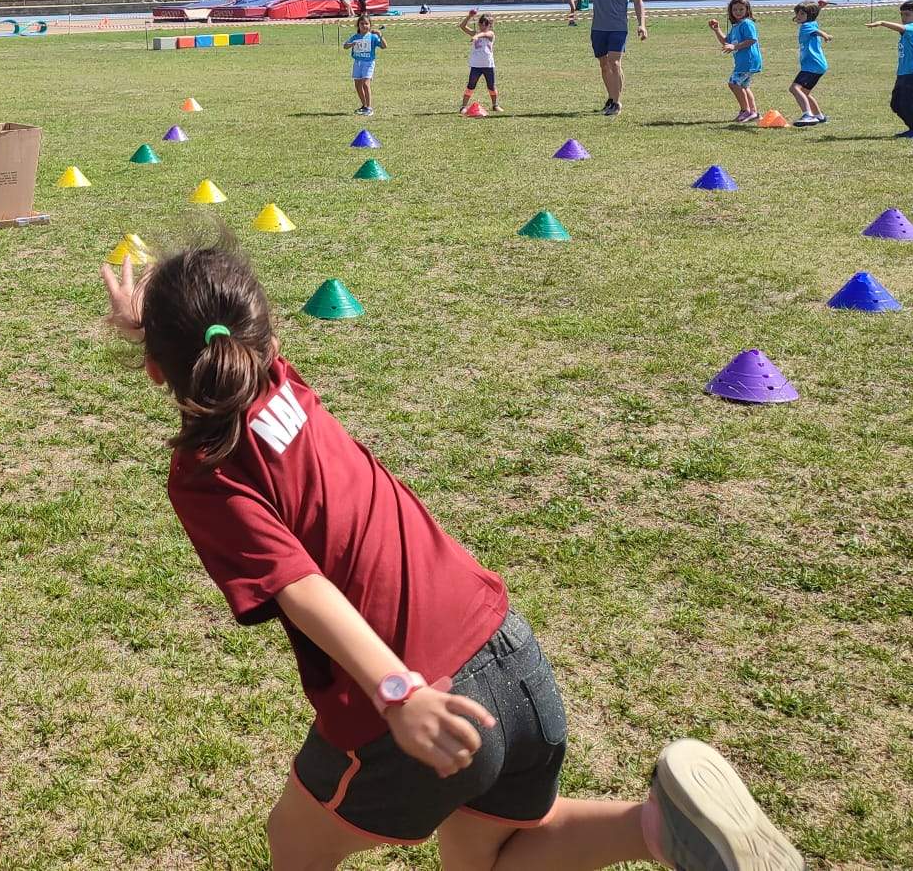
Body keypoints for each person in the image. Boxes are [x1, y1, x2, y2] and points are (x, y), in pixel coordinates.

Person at [99, 243, 804, 871]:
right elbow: (227, 340)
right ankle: (657, 829)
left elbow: (302, 587)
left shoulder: (205, 474)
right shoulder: (287, 384)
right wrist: (160, 323)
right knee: (486, 858)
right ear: (268, 337)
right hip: (510, 651)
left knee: (293, 843)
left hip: (418, 705)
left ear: (156, 370)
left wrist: (397, 693)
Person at [565, 0, 646, 117]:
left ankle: (617, 103)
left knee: (615, 63)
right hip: (598, 29)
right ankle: (611, 98)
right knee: (604, 65)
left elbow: (638, 1)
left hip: (618, 28)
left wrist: (642, 24)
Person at [869, 0, 913, 140]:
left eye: (907, 15)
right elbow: (905, 29)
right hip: (904, 73)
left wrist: (882, 22)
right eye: (902, 15)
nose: (903, 18)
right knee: (896, 104)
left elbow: (903, 28)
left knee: (907, 105)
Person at [708, 0, 764, 124]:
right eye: (735, 9)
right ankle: (753, 112)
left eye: (741, 9)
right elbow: (726, 42)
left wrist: (735, 46)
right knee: (743, 86)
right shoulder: (736, 26)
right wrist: (717, 30)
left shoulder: (747, 23)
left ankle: (746, 111)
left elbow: (752, 40)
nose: (738, 12)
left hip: (748, 61)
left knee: (733, 83)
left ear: (747, 10)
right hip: (744, 62)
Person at [788, 2, 832, 126]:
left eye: (802, 13)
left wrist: (824, 35)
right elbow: (814, 21)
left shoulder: (807, 26)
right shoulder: (811, 22)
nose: (798, 15)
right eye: (798, 13)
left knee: (794, 88)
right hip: (818, 65)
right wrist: (820, 7)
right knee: (805, 92)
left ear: (809, 15)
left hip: (812, 65)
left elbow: (816, 31)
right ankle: (819, 116)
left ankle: (808, 115)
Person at [457, 10, 501, 113]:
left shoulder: (491, 34)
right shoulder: (475, 32)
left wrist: (477, 36)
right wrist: (469, 16)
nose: (483, 27)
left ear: (490, 25)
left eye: (485, 25)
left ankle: (495, 105)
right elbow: (462, 26)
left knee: (491, 86)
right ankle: (463, 106)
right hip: (476, 66)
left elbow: (486, 34)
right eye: (481, 24)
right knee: (471, 85)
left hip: (488, 66)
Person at [342, 14, 384, 116]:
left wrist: (380, 35)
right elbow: (345, 46)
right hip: (357, 63)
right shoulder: (355, 37)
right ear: (358, 25)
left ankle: (369, 107)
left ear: (370, 25)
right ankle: (364, 105)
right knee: (357, 85)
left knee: (366, 83)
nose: (364, 26)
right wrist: (351, 44)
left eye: (366, 23)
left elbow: (384, 46)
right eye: (362, 23)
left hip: (368, 63)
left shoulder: (373, 36)